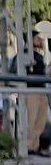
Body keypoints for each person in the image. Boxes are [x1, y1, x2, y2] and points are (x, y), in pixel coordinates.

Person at [24, 23, 50, 157]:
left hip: (41, 89)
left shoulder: (38, 55)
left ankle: (35, 145)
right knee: (31, 120)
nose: (40, 40)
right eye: (37, 38)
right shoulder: (25, 55)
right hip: (31, 90)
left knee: (41, 120)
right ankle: (28, 146)